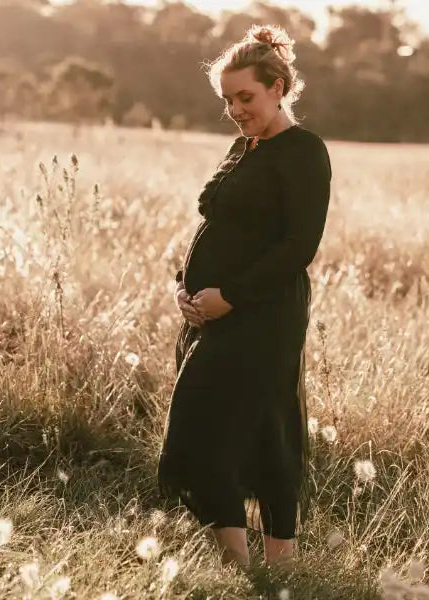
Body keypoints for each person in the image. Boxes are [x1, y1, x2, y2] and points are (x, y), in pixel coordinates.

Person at [157, 23, 332, 570]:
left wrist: (229, 295)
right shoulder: (244, 146)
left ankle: (277, 558)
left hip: (263, 313)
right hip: (212, 313)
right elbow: (221, 229)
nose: (235, 108)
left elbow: (298, 245)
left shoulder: (303, 151)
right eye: (227, 99)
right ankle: (242, 560)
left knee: (248, 424)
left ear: (279, 86)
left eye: (246, 96)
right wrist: (187, 291)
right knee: (227, 426)